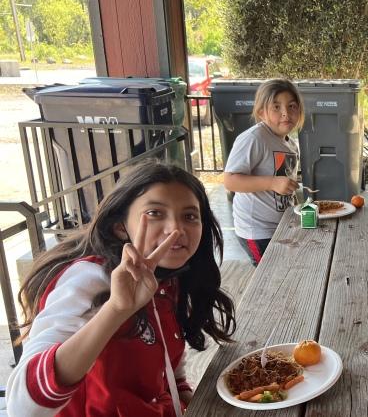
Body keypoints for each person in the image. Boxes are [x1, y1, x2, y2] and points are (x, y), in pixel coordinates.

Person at [6, 160, 237, 416]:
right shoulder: (88, 279)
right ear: (120, 227)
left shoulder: (167, 277)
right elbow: (23, 405)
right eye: (155, 213)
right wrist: (116, 309)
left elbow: (169, 367)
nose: (176, 229)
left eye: (190, 216)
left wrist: (191, 402)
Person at [223, 79, 305, 265]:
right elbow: (230, 181)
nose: (286, 113)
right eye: (276, 107)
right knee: (268, 278)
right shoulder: (255, 138)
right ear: (261, 112)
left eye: (292, 106)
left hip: (281, 225)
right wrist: (272, 182)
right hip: (256, 230)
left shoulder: (290, 144)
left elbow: (282, 181)